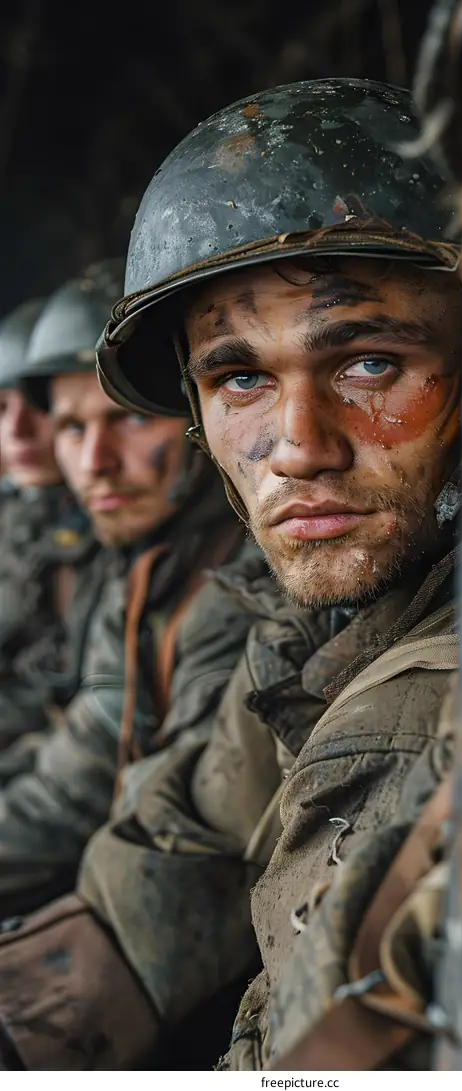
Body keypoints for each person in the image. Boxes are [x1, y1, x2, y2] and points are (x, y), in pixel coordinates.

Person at [0, 78, 462, 1070]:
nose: (297, 447)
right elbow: (177, 852)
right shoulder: (313, 622)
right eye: (241, 377)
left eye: (370, 362)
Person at [0, 259, 258, 922]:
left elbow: (87, 781)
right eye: (73, 429)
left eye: (130, 420)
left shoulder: (240, 573)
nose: (94, 465)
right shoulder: (144, 553)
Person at [0, 298, 98, 756]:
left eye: (37, 408)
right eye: (1, 407)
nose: (17, 430)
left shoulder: (111, 534)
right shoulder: (19, 517)